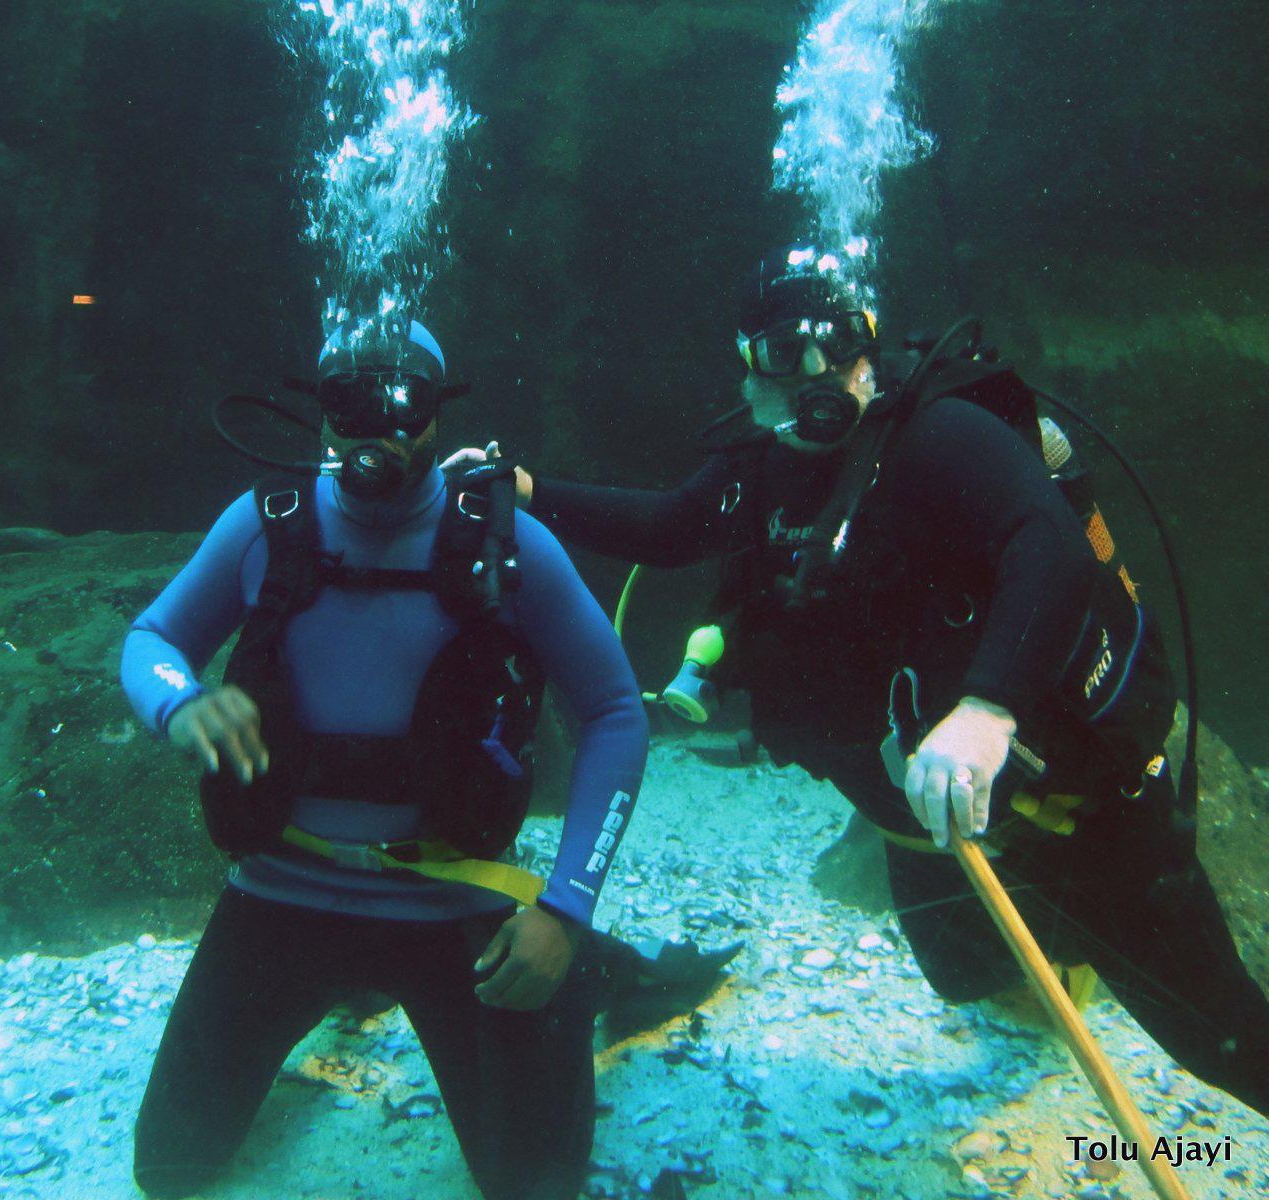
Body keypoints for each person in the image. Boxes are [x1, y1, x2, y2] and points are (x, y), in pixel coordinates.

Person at [447, 245, 1269, 1117]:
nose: (814, 372)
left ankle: (1095, 936)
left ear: (867, 342)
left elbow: (1051, 547)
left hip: (1075, 805)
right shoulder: (761, 468)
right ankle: (1059, 944)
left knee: (1219, 1038)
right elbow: (670, 526)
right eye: (781, 352)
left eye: (834, 342)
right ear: (748, 364)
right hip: (925, 823)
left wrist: (988, 711)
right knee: (961, 976)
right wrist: (531, 489)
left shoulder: (939, 437)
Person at [121, 318, 649, 1200]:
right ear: (320, 415)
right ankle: (344, 995)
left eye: (400, 401)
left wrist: (566, 909)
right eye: (348, 402)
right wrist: (179, 704)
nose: (376, 429)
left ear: (437, 415)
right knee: (168, 1167)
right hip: (281, 892)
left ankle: (592, 973)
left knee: (536, 1186)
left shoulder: (508, 544)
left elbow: (616, 712)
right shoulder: (264, 525)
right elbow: (154, 637)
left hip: (458, 904)